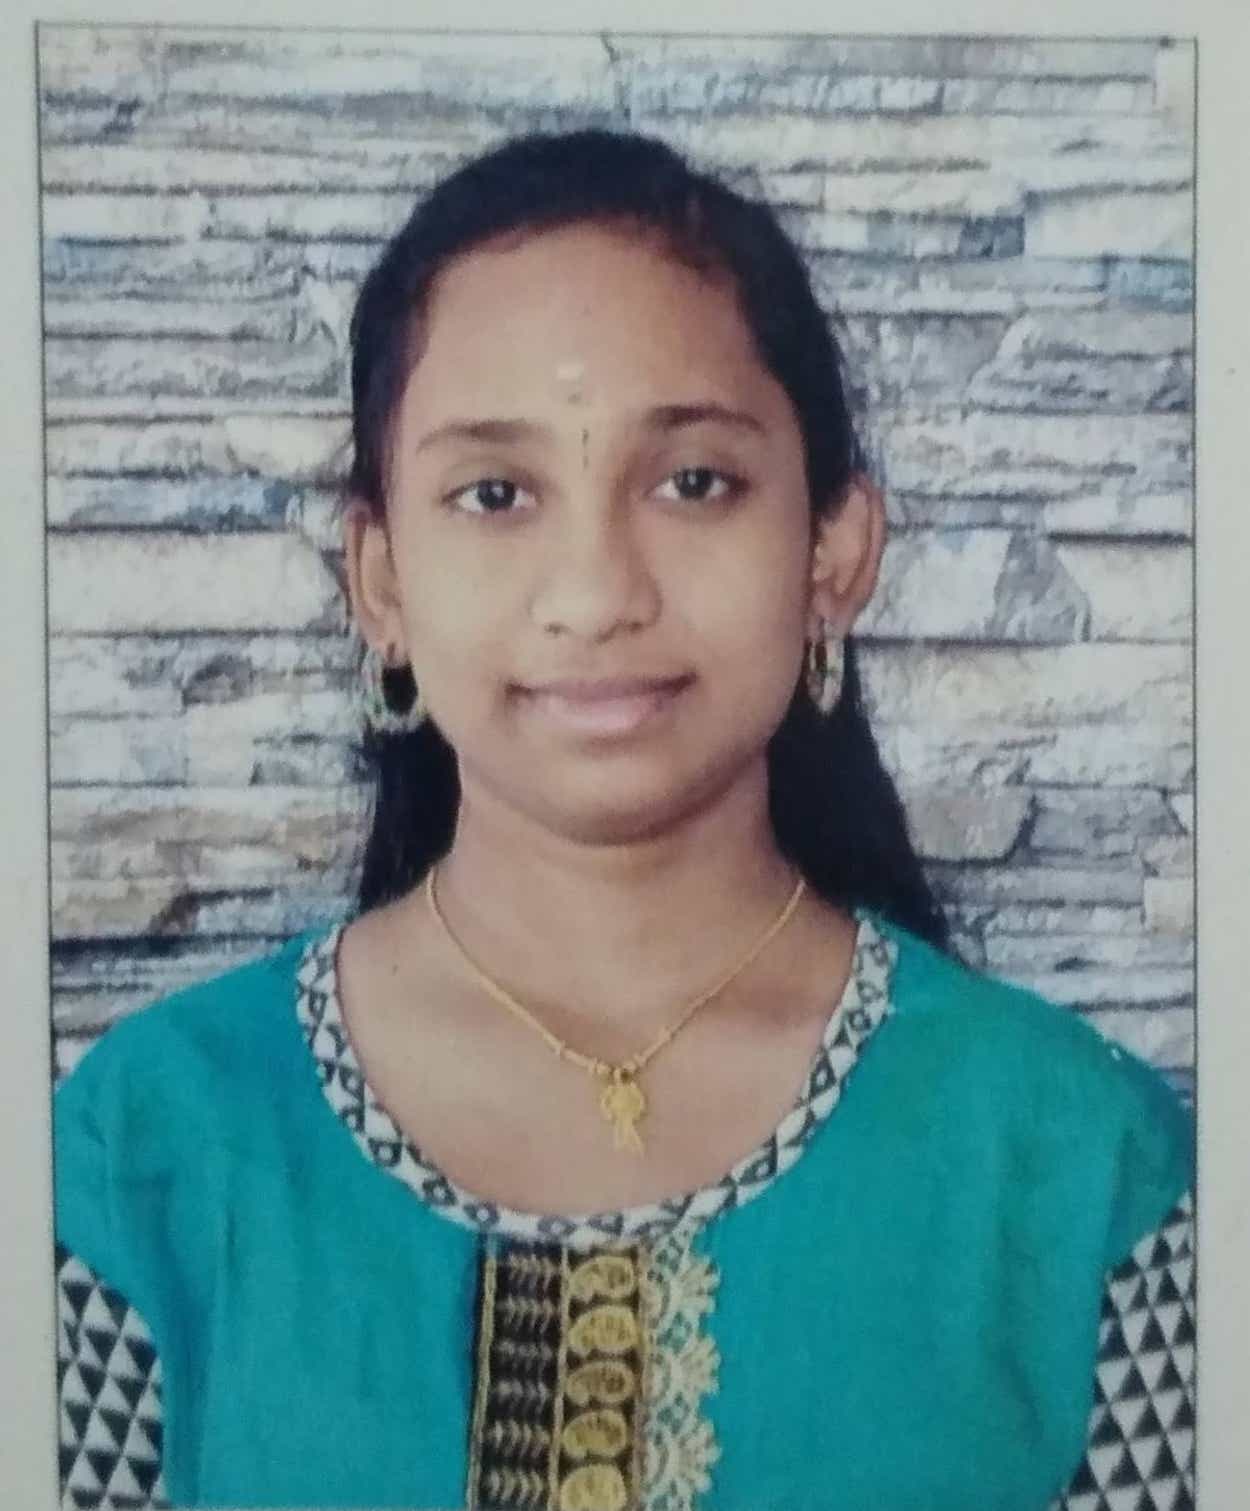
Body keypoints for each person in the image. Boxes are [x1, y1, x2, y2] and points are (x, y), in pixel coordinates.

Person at [52, 130, 1194, 1511]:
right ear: (381, 580)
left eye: (693, 482)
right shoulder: (139, 1162)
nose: (595, 593)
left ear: (833, 552)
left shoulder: (1088, 1181)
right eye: (495, 494)